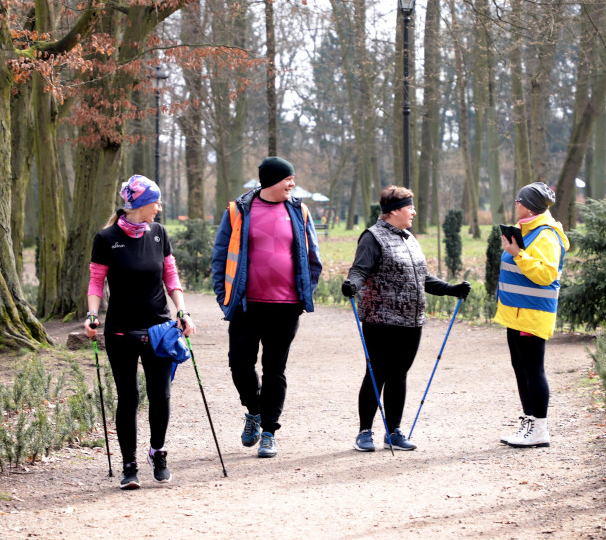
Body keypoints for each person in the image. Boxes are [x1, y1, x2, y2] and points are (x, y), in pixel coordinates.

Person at [83, 175, 196, 489]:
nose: (159, 208)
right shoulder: (106, 238)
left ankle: (157, 451)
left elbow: (171, 277)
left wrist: (182, 310)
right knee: (128, 397)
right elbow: (96, 282)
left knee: (161, 395)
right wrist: (92, 314)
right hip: (120, 329)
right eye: (156, 202)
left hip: (160, 327)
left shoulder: (159, 234)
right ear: (141, 204)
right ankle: (129, 464)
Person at [341, 187, 471, 452]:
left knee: (399, 375)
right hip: (380, 319)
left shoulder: (409, 238)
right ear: (394, 210)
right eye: (409, 207)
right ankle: (364, 432)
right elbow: (360, 269)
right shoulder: (372, 237)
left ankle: (394, 432)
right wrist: (351, 285)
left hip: (411, 321)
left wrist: (451, 289)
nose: (414, 211)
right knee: (376, 374)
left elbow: (422, 277)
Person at [211, 157, 322, 459]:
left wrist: (304, 294)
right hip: (247, 305)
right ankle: (255, 411)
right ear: (272, 180)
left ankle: (270, 431)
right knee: (240, 364)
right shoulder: (238, 211)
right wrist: (225, 297)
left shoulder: (299, 210)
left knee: (275, 370)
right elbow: (221, 256)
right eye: (288, 179)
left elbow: (313, 257)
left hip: (286, 307)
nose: (293, 184)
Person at [495, 182, 569, 448]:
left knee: (533, 370)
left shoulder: (546, 235)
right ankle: (530, 422)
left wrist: (518, 254)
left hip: (533, 314)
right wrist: (516, 251)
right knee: (521, 369)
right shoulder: (530, 231)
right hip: (516, 314)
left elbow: (546, 275)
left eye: (518, 200)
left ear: (528, 205)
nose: (515, 204)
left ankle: (539, 428)